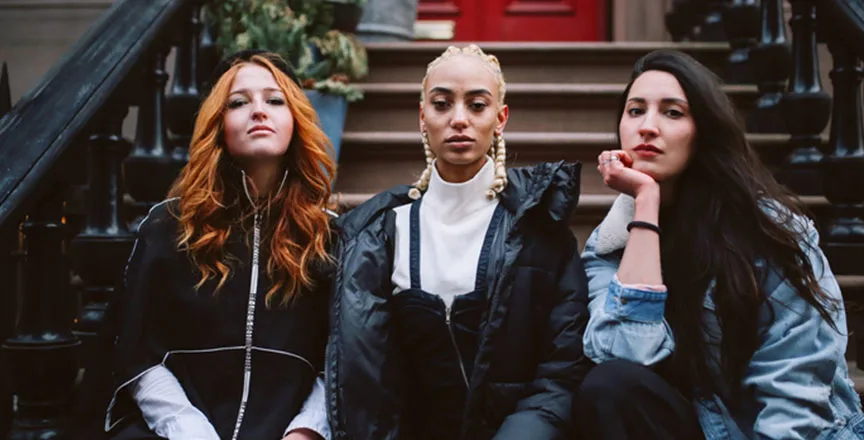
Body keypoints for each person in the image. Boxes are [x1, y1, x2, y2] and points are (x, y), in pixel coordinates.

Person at [574, 49, 864, 440]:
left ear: (704, 131)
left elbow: (796, 390)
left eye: (673, 112)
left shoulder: (768, 232)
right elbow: (624, 356)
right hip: (700, 426)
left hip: (780, 432)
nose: (647, 127)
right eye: (635, 110)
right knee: (608, 386)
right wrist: (645, 202)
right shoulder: (612, 244)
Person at [324, 44, 590, 439]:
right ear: (422, 116)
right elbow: (365, 377)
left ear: (500, 119)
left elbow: (563, 368)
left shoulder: (539, 226)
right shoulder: (379, 233)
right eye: (442, 104)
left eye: (477, 105)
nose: (459, 119)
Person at [105, 50, 336, 440]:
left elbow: (341, 357)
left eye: (275, 100)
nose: (259, 111)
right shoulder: (168, 225)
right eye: (238, 102)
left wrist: (307, 431)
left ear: (296, 121)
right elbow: (136, 350)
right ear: (218, 125)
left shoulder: (328, 236)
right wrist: (190, 431)